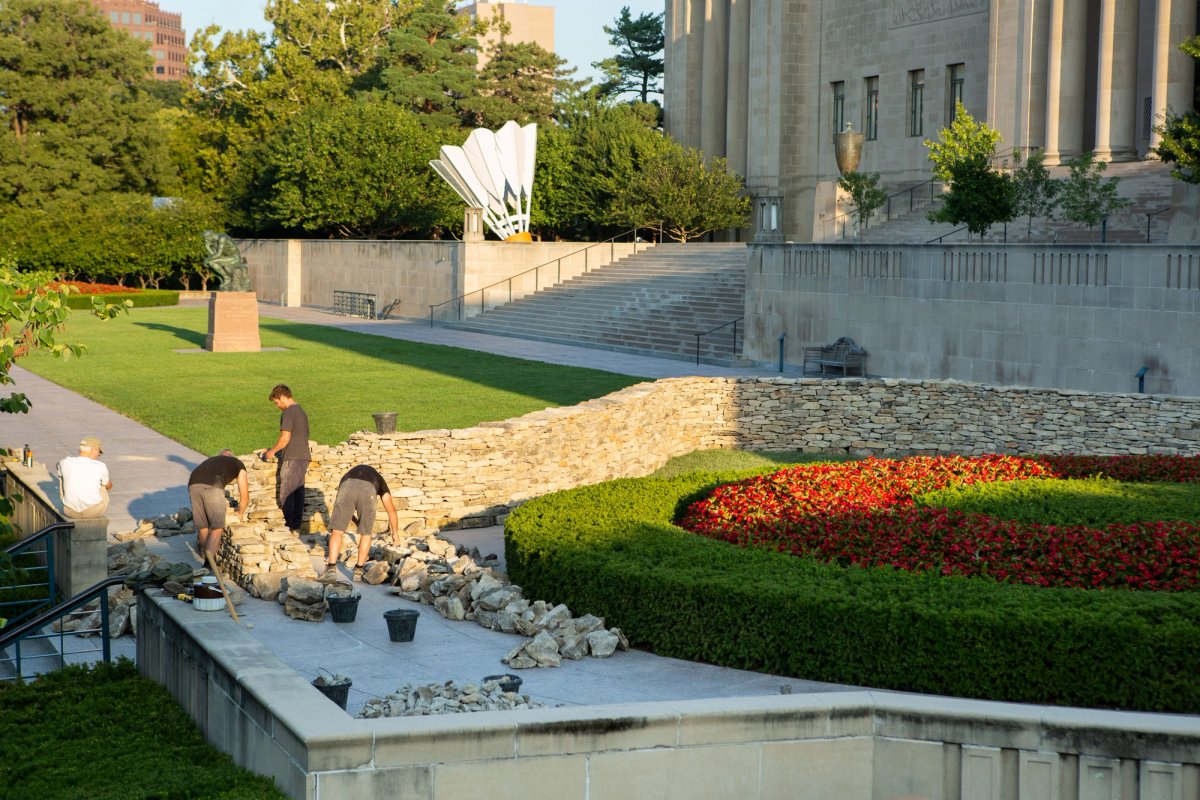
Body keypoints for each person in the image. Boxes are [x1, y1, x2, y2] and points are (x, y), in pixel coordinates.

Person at [321, 464, 399, 583]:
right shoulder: (381, 482)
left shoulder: (348, 476)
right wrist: (395, 533)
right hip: (368, 489)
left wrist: (357, 521)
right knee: (366, 533)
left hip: (347, 484)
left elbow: (346, 510)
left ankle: (331, 568)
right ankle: (358, 571)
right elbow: (391, 511)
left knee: (337, 530)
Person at [261, 384, 309, 532]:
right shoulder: (301, 410)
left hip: (293, 457)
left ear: (282, 397)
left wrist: (271, 452)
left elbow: (285, 437)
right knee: (298, 492)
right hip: (303, 457)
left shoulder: (289, 412)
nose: (277, 406)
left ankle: (290, 527)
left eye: (276, 402)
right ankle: (296, 527)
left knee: (287, 493)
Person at [188, 449, 250, 561]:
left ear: (220, 456)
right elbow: (245, 496)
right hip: (213, 486)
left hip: (193, 484)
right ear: (232, 456)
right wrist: (240, 513)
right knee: (217, 527)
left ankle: (205, 555)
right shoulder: (237, 463)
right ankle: (209, 564)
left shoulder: (211, 460)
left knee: (203, 526)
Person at [56, 437, 112, 519]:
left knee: (62, 475)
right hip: (94, 512)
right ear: (94, 450)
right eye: (99, 453)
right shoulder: (100, 466)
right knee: (103, 484)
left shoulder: (65, 462)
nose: (98, 455)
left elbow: (57, 465)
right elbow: (108, 485)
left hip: (70, 512)